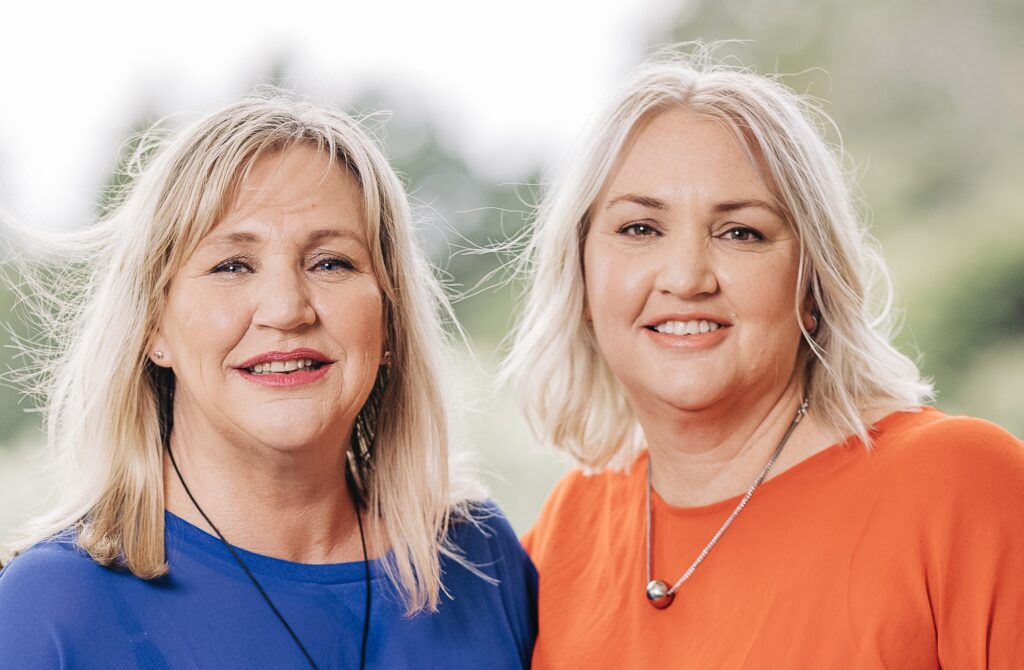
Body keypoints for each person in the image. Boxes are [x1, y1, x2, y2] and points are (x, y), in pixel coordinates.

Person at [504, 47, 1024, 668]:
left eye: (740, 232)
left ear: (810, 284)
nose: (687, 277)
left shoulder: (962, 485)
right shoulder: (568, 528)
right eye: (640, 228)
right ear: (583, 280)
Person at [0, 94, 536, 669]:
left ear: (389, 322)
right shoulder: (52, 610)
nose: (286, 308)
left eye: (331, 262)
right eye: (232, 266)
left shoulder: (480, 560)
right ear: (153, 325)